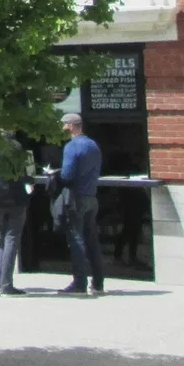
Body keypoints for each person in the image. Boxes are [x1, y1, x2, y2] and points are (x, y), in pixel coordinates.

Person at [56, 112, 105, 296]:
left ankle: (79, 283)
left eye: (63, 125)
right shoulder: (93, 145)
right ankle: (98, 283)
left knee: (76, 239)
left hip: (77, 199)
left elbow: (67, 176)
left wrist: (56, 175)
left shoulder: (71, 146)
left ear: (70, 126)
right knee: (92, 239)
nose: (62, 128)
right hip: (92, 196)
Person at [0, 132, 31, 297]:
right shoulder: (16, 147)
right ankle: (6, 284)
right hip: (15, 198)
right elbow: (26, 173)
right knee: (11, 239)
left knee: (3, 240)